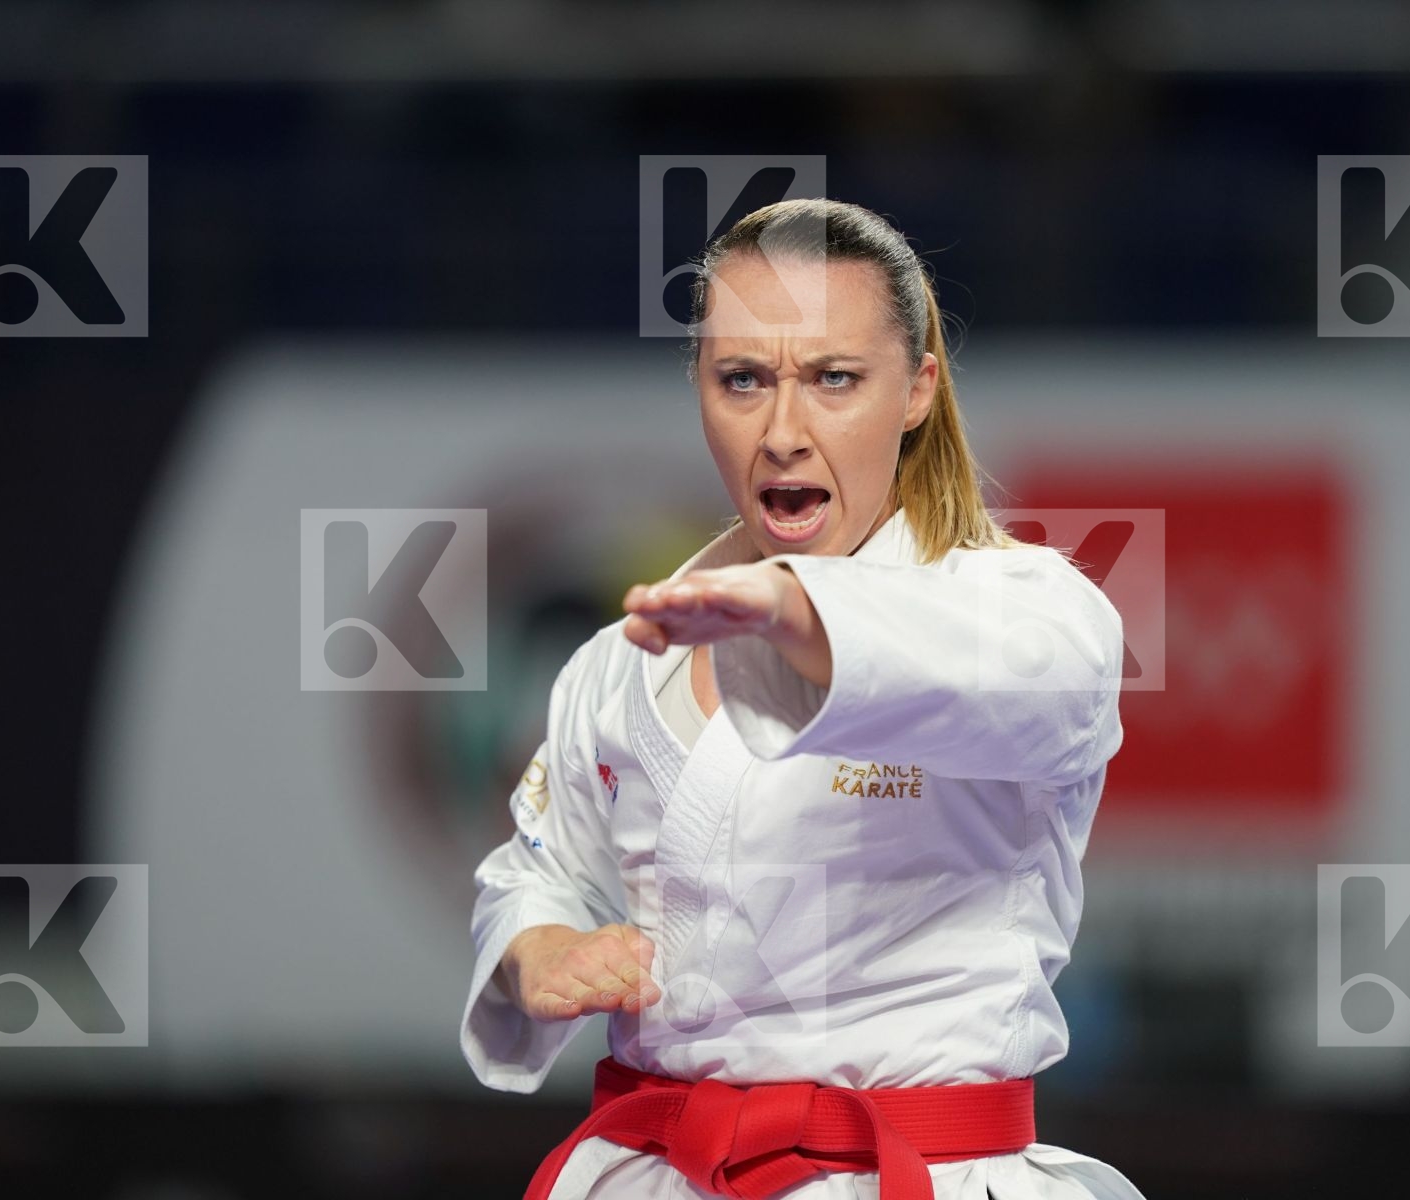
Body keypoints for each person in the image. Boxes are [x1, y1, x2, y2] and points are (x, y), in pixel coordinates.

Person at [461, 198, 1145, 1200]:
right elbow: (538, 868)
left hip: (925, 1173)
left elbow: (1007, 685)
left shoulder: (1034, 611)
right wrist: (542, 947)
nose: (782, 432)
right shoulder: (619, 662)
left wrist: (796, 614)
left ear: (917, 390)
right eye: (742, 379)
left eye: (834, 379)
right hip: (659, 1172)